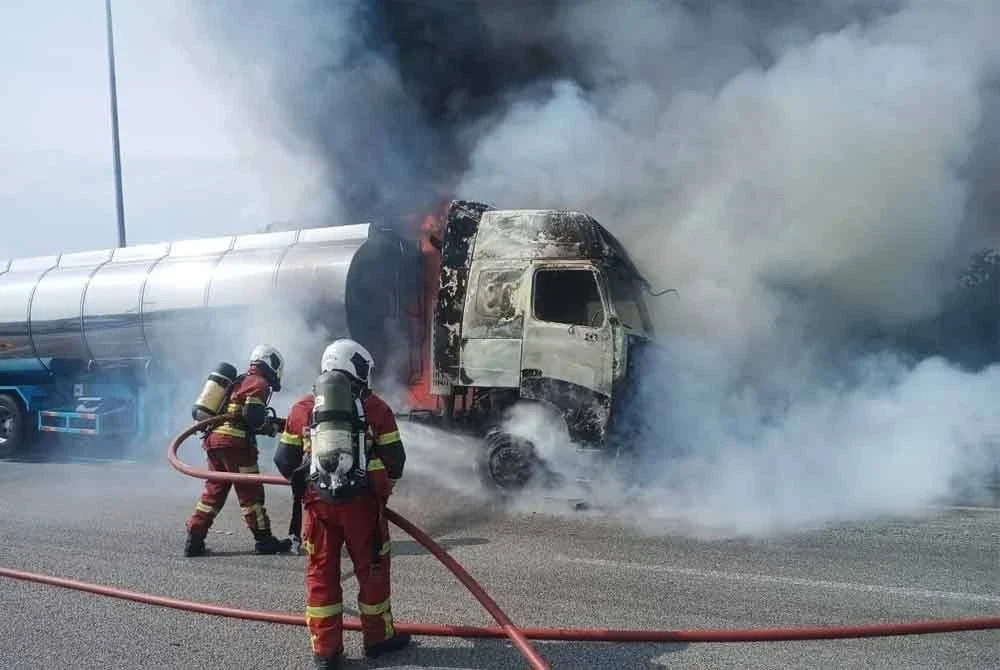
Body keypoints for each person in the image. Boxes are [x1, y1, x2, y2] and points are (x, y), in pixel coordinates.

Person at [274, 338, 410, 669]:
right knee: (372, 570)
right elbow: (397, 461)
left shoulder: (302, 408)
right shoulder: (375, 408)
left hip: (318, 508)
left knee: (322, 574)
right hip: (363, 508)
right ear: (355, 367)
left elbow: (283, 460)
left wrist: (311, 481)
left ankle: (326, 652)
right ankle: (377, 639)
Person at [184, 344, 293, 557]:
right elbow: (253, 417)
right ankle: (264, 540)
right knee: (250, 493)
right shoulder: (259, 383)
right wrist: (266, 426)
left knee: (213, 493)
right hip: (236, 446)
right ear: (271, 364)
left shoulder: (238, 381)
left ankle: (194, 540)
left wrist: (273, 425)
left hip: (215, 442)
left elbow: (240, 415)